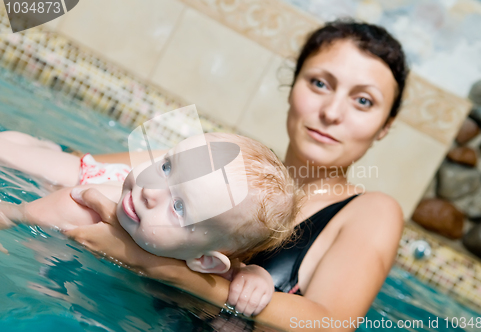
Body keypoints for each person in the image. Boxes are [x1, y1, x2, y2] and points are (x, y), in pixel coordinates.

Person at [61, 19, 408, 331]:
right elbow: (80, 166)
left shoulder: (372, 211)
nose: (332, 112)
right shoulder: (228, 167)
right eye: (319, 83)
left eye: (363, 101)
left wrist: (161, 268)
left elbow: (330, 325)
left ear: (385, 127)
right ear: (293, 87)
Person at [0, 131, 302, 316]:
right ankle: (40, 145)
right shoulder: (82, 208)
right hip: (92, 179)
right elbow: (15, 212)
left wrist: (256, 277)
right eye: (166, 166)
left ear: (205, 261)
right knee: (10, 150)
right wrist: (13, 216)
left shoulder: (213, 265)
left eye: (179, 206)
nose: (150, 190)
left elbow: (235, 271)